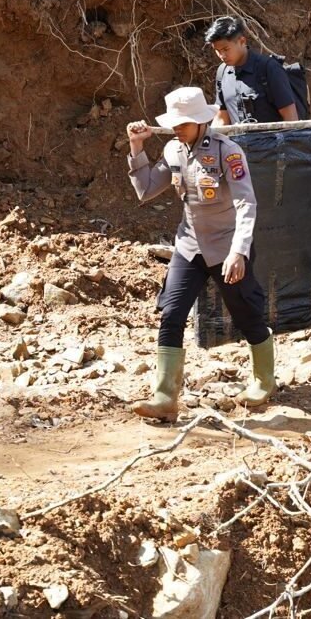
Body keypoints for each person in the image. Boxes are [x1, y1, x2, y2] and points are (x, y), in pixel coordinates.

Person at [125, 87, 273, 420]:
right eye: (174, 123)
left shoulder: (227, 152)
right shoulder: (174, 149)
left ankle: (264, 379)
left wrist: (239, 251)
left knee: (246, 313)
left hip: (226, 246)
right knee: (171, 313)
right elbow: (146, 189)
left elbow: (246, 203)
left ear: (201, 121)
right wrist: (137, 147)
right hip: (189, 245)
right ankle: (164, 398)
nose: (177, 128)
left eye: (184, 123)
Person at [206, 16, 301, 125]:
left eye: (226, 49)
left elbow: (291, 118)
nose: (222, 55)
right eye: (217, 51)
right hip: (237, 142)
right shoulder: (222, 73)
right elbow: (222, 117)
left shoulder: (269, 69)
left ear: (242, 41)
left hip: (272, 140)